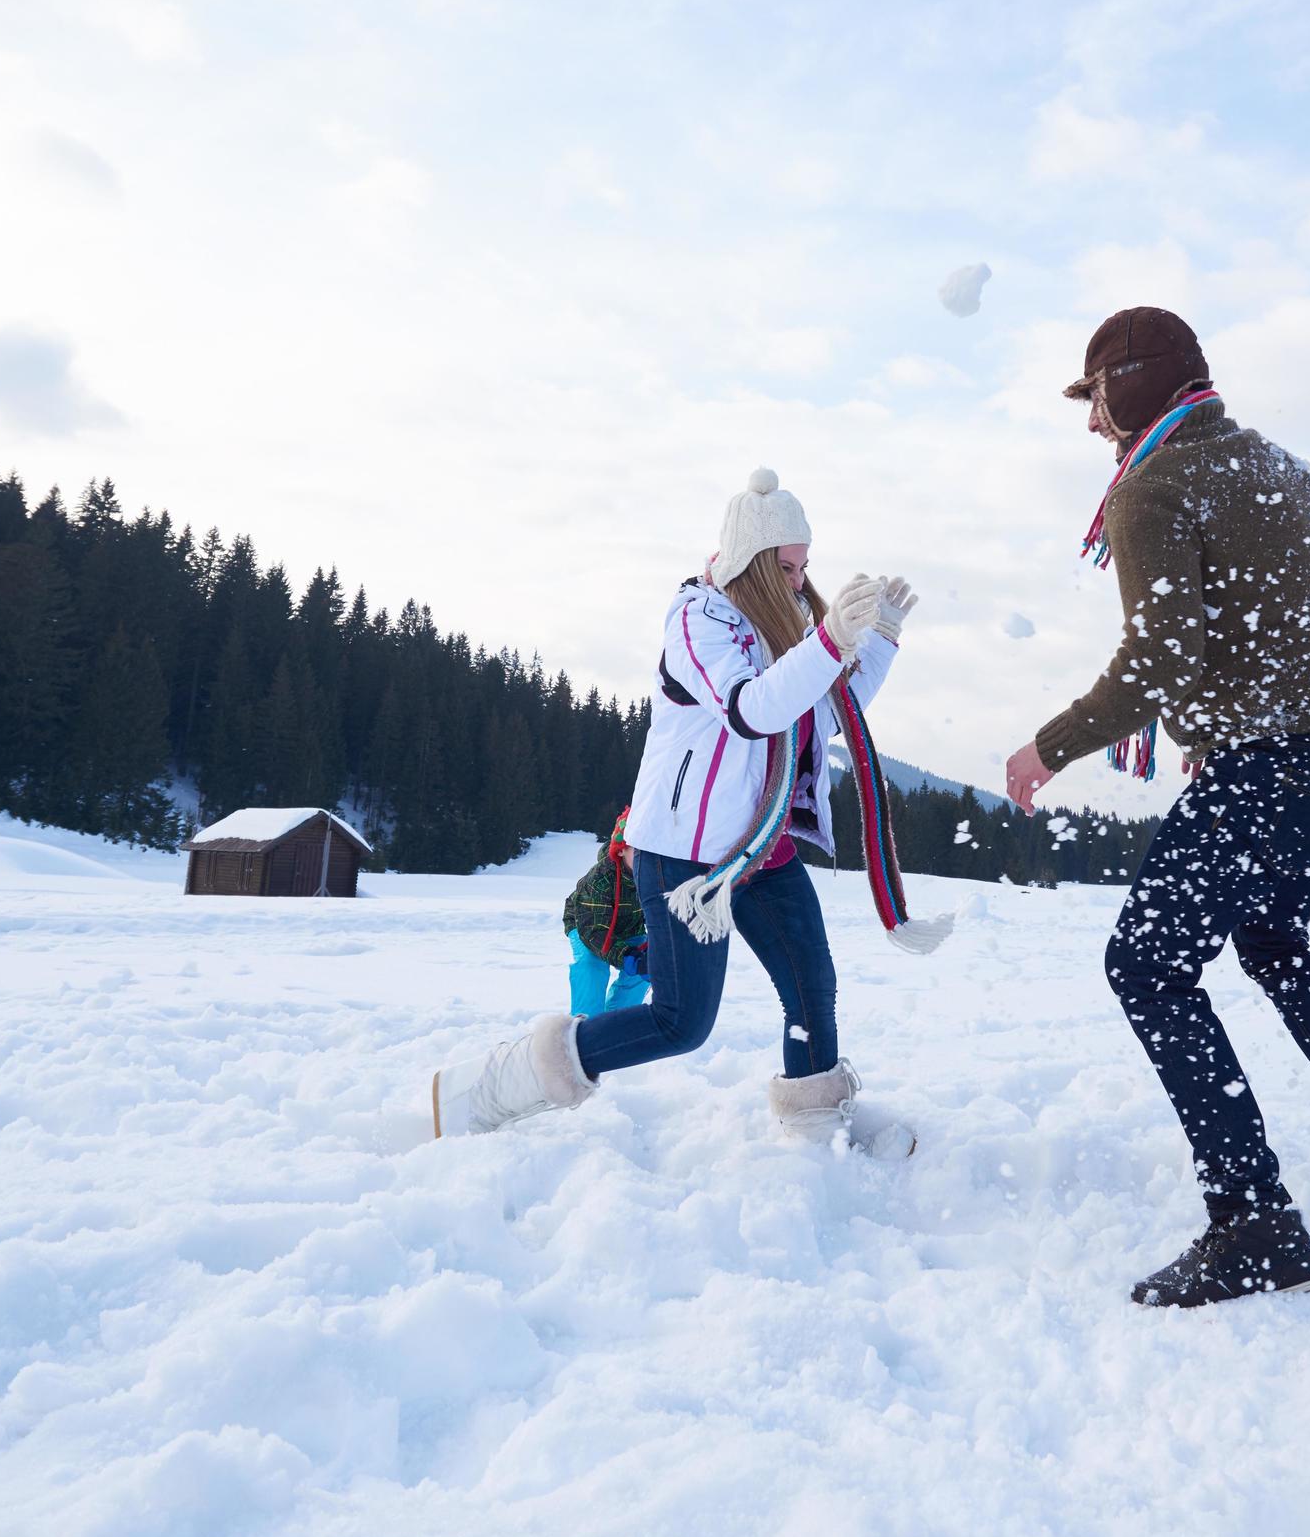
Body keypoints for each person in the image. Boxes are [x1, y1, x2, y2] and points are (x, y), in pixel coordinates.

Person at [1005, 306, 1310, 1308]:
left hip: (1279, 762)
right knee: (1270, 939)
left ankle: (1253, 1219)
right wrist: (1219, 735)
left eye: (1095, 400)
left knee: (1147, 964)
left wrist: (1049, 747)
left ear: (1131, 386)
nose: (1090, 425)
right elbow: (1282, 628)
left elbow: (1163, 658)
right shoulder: (1280, 464)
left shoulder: (1152, 486)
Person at [395, 468, 944, 1154]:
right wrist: (828, 643)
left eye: (806, 567)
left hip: (759, 846)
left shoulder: (789, 624)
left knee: (812, 985)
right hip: (686, 855)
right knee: (680, 1020)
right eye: (788, 567)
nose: (802, 583)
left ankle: (811, 1126)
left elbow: (820, 715)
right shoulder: (697, 620)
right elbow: (752, 710)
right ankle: (492, 1086)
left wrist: (879, 642)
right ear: (750, 562)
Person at [563, 815, 651, 1018]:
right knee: (591, 965)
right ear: (621, 850)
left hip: (631, 928)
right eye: (638, 852)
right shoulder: (600, 879)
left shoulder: (655, 876)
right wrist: (628, 956)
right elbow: (594, 932)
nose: (646, 859)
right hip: (588, 927)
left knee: (647, 966)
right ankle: (585, 1022)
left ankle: (617, 1020)